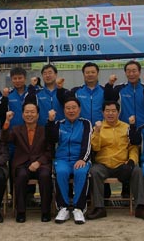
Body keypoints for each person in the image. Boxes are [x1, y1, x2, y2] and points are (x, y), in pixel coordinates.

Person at [87, 101, 144, 221]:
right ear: (102, 113)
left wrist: (131, 161)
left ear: (118, 112)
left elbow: (133, 147)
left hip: (122, 165)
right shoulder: (97, 128)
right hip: (104, 165)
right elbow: (95, 147)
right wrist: (96, 132)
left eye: (113, 111)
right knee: (94, 171)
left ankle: (140, 207)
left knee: (137, 171)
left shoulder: (126, 127)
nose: (110, 113)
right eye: (107, 111)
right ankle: (99, 207)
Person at [2, 100, 53, 223]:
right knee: (21, 176)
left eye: (32, 112)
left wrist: (39, 162)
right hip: (22, 163)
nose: (29, 114)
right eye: (27, 112)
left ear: (38, 115)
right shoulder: (16, 129)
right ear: (23, 114)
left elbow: (49, 151)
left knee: (45, 176)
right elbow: (4, 139)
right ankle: (21, 211)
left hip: (41, 163)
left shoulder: (45, 130)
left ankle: (45, 211)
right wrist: (7, 121)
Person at [46, 96, 92, 225]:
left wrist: (83, 159)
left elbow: (87, 143)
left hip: (80, 158)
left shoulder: (85, 123)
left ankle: (79, 208)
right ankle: (63, 207)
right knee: (60, 172)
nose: (71, 111)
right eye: (68, 108)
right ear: (64, 110)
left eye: (74, 108)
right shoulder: (58, 124)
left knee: (81, 172)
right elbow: (51, 139)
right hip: (62, 159)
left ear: (79, 109)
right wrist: (50, 121)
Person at [105, 60, 144, 126]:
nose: (131, 74)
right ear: (125, 73)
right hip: (124, 127)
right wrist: (110, 84)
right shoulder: (120, 88)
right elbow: (108, 100)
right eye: (128, 71)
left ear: (139, 72)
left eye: (134, 71)